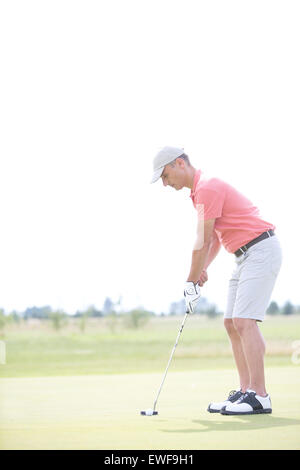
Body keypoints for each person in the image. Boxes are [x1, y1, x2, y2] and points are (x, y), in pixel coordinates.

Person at [150, 146, 283, 415]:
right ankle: (246, 392)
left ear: (179, 164)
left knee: (244, 321)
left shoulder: (207, 187)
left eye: (165, 176)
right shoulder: (200, 192)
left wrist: (190, 281)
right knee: (231, 323)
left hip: (260, 250)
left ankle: (260, 395)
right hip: (244, 255)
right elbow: (214, 242)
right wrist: (202, 271)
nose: (165, 183)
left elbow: (202, 241)